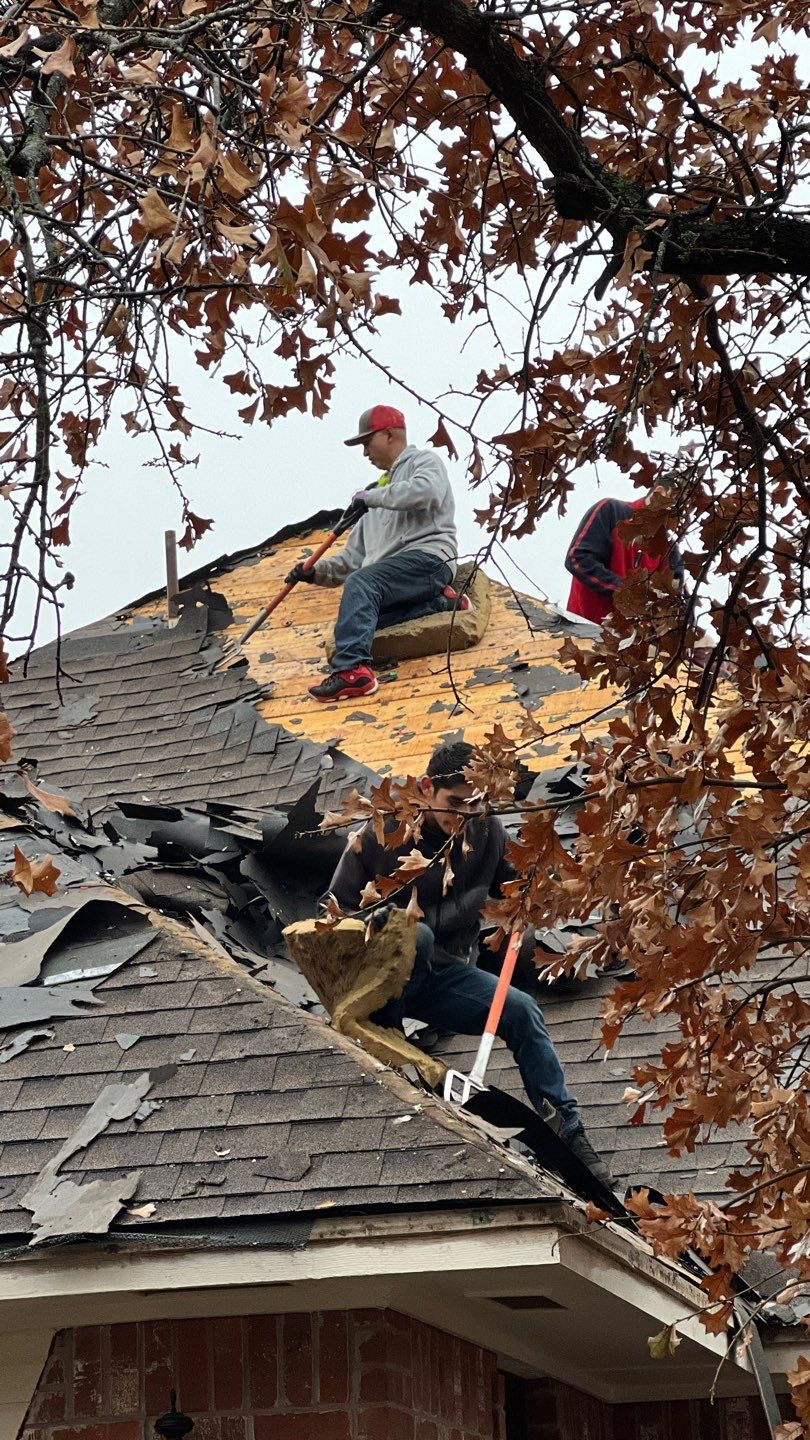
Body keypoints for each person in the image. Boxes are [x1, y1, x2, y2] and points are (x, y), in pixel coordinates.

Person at [323, 739, 613, 1188]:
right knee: (412, 932)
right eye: (455, 803)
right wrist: (375, 923)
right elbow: (329, 923)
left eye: (476, 804)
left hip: (442, 976)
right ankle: (399, 1059)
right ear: (425, 789)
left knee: (522, 1011)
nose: (464, 815)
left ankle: (568, 1131)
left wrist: (526, 904)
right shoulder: (377, 838)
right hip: (376, 984)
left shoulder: (488, 831)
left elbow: (515, 893)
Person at [286, 404, 463, 703]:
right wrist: (314, 572)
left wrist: (371, 498)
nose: (365, 453)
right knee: (359, 621)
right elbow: (350, 562)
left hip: (429, 559)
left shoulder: (424, 462)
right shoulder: (372, 500)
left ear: (390, 434)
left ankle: (353, 672)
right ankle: (440, 604)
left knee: (362, 584)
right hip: (394, 578)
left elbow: (426, 492)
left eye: (367, 442)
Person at [564, 490, 685, 624]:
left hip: (635, 641)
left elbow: (676, 603)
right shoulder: (612, 511)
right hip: (585, 629)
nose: (680, 515)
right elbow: (577, 558)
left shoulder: (670, 551)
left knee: (704, 642)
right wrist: (625, 592)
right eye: (679, 504)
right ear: (660, 492)